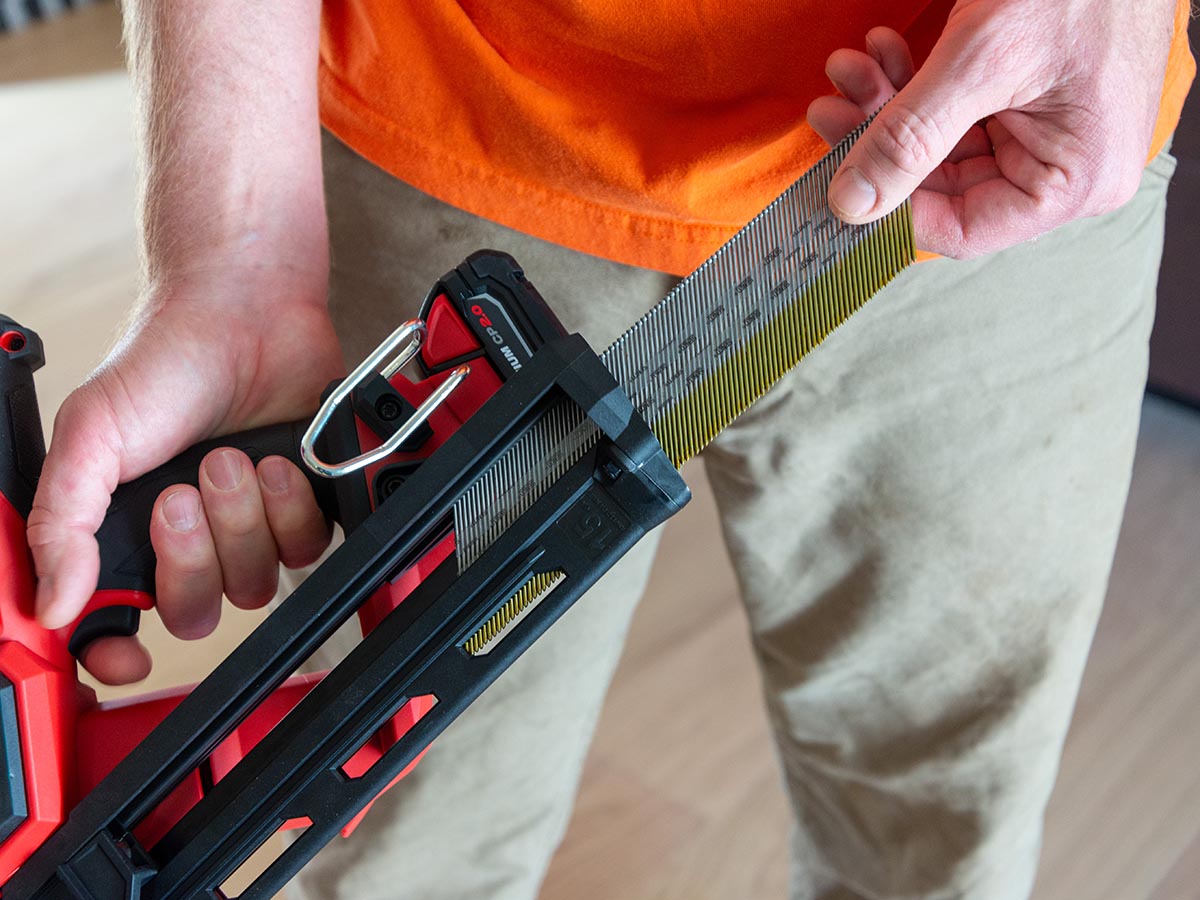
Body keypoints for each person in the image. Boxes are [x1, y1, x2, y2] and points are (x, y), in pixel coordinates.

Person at [26, 1, 1195, 898]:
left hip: (1004, 135)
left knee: (937, 816)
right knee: (402, 841)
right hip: (455, 123)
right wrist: (232, 251)